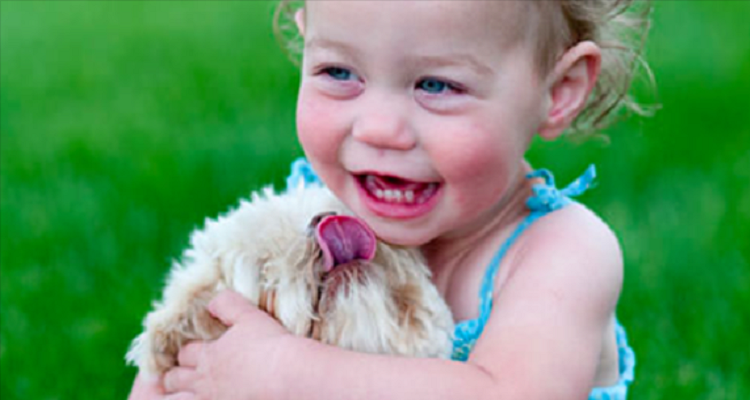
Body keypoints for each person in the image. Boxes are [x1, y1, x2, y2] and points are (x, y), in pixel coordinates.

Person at [130, 1, 652, 398]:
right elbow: (186, 352)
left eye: (437, 85)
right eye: (339, 73)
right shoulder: (314, 222)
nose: (378, 129)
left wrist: (285, 372)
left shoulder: (560, 253)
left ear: (557, 90)